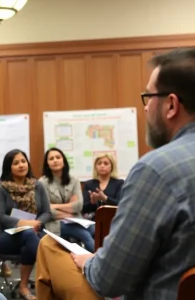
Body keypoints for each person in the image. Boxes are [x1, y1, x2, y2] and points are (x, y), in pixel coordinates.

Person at [36, 48, 195, 300]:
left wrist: (90, 261)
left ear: (171, 105)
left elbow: (110, 281)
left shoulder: (156, 170)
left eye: (148, 97)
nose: (145, 108)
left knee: (48, 247)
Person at [0, 149, 51, 300]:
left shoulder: (37, 185)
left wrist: (36, 223)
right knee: (33, 237)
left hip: (33, 232)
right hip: (4, 236)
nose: (21, 165)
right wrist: (25, 223)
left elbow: (47, 212)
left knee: (45, 241)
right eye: (16, 163)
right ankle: (49, 280)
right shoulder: (1, 188)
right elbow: (0, 217)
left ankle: (23, 286)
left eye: (23, 161)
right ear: (8, 167)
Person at [39, 147, 95, 253]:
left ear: (63, 161)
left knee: (97, 230)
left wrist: (55, 206)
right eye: (51, 159)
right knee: (85, 235)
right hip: (55, 223)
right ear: (47, 164)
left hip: (77, 220)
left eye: (58, 157)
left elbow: (78, 205)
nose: (55, 160)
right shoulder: (42, 183)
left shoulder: (74, 179)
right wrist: (68, 209)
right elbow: (47, 210)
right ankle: (98, 265)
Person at [82, 153, 124, 220]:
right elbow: (83, 208)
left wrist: (105, 198)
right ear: (95, 167)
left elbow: (121, 204)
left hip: (113, 220)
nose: (102, 166)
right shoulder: (88, 184)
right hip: (93, 221)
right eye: (99, 163)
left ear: (112, 166)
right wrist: (92, 203)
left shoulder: (119, 183)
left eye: (106, 163)